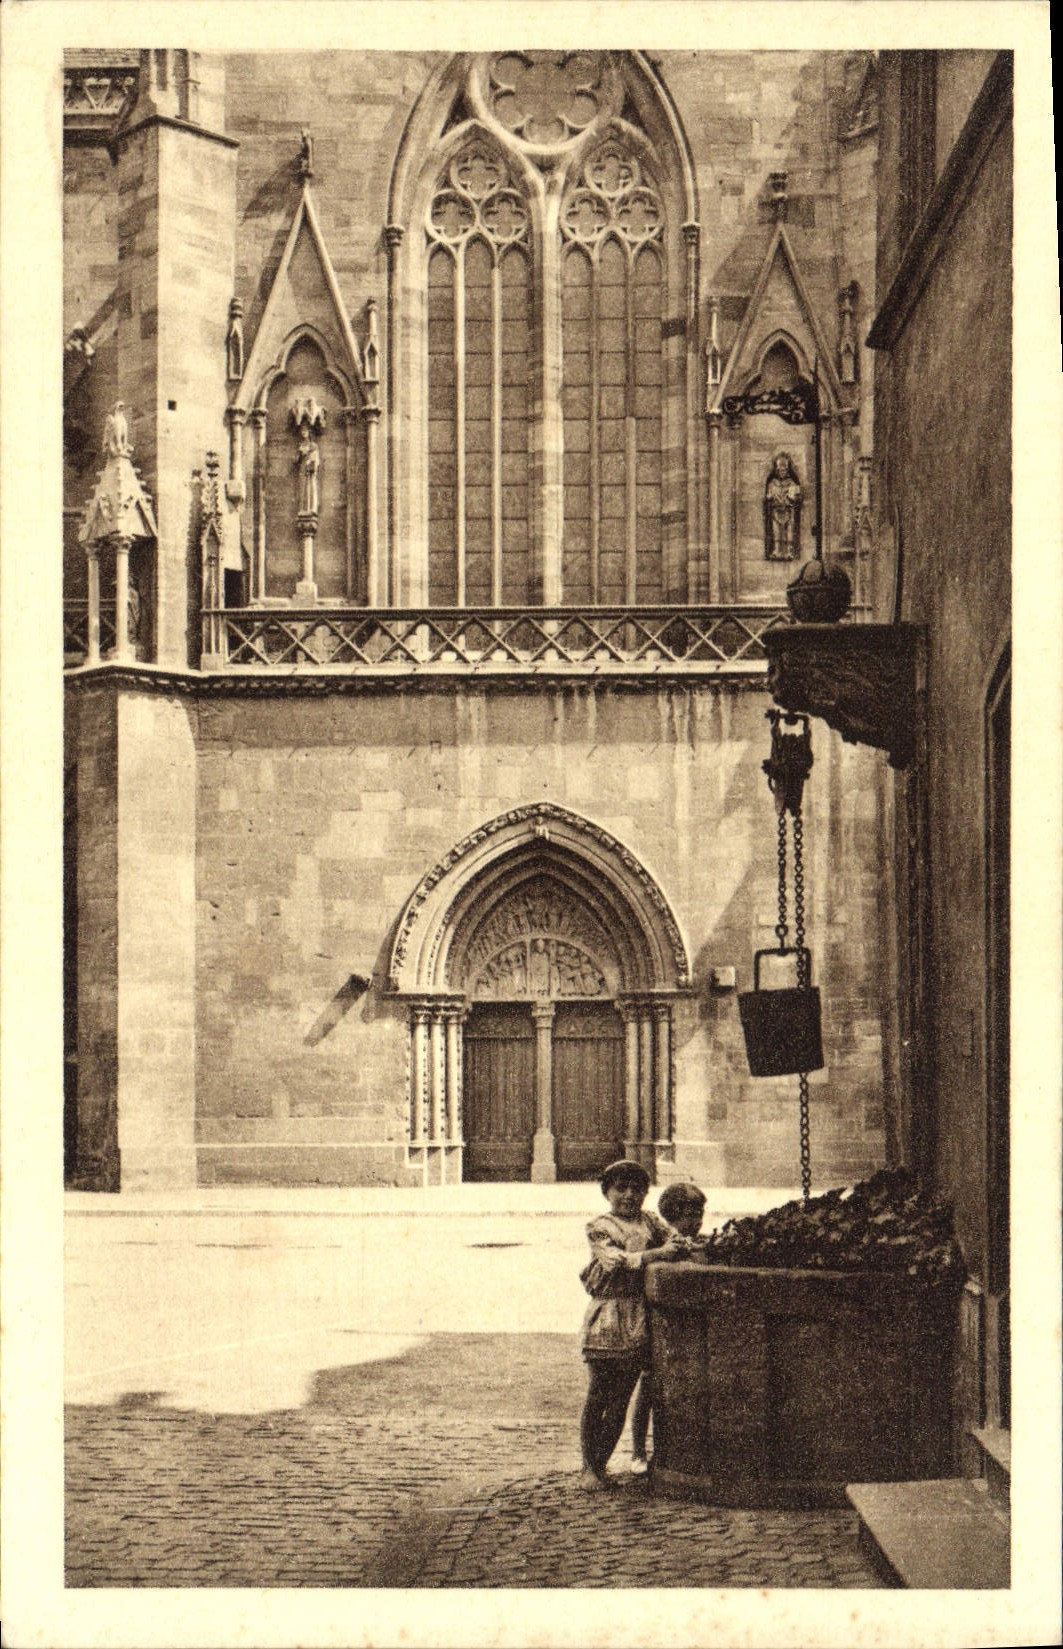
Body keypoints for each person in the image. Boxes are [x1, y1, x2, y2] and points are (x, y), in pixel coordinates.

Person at [578, 1159, 684, 1490]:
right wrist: (659, 1254)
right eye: (620, 1188)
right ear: (607, 1192)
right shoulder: (600, 1226)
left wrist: (671, 1247)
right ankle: (589, 1468)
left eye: (636, 1189)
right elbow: (617, 1263)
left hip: (639, 1319)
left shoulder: (650, 1221)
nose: (628, 1195)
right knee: (599, 1394)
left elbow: (678, 1241)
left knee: (622, 1396)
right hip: (609, 1318)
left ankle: (602, 1465)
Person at [628, 1181, 709, 1473]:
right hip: (654, 1326)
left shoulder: (697, 1242)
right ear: (672, 1216)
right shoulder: (661, 1243)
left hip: (683, 1328)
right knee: (649, 1387)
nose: (697, 1221)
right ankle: (638, 1450)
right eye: (691, 1215)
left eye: (700, 1213)